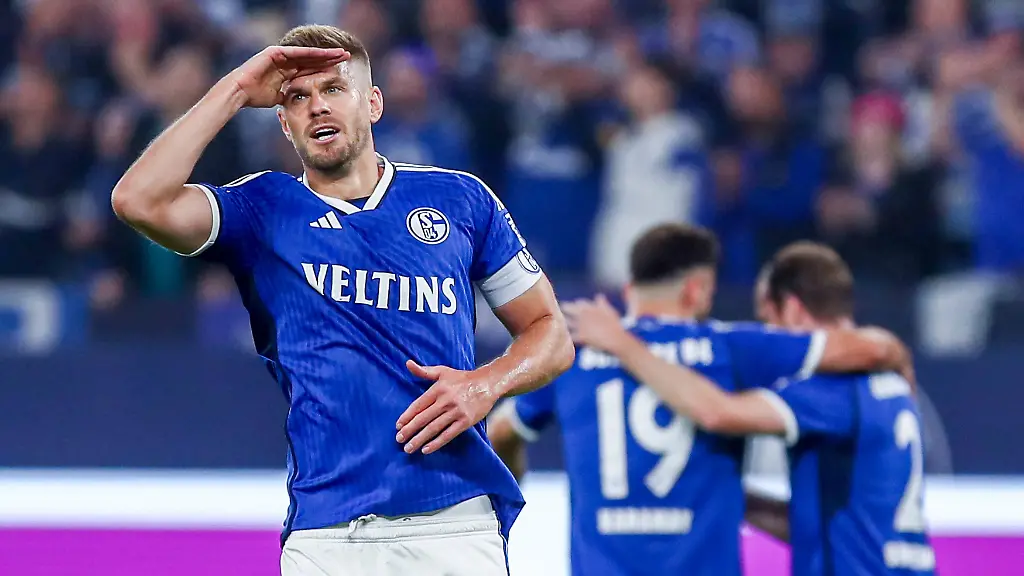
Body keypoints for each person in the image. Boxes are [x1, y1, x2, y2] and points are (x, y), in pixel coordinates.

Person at [110, 24, 575, 575]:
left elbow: (551, 333)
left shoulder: (460, 199)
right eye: (297, 98)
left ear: (373, 103)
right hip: (326, 535)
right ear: (284, 123)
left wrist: (485, 384)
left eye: (333, 88)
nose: (317, 107)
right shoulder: (262, 209)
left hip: (452, 522)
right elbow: (138, 201)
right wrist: (235, 89)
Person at [488, 223, 913, 575]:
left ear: (631, 289)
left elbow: (503, 432)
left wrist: (514, 478)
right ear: (697, 290)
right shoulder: (732, 348)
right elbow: (867, 348)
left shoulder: (576, 355)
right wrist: (897, 357)